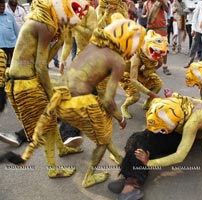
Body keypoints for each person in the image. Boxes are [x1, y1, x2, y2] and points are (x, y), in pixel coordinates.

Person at [7, 13, 146, 188]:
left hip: (59, 96)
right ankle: (88, 177)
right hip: (78, 104)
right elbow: (108, 100)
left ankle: (118, 158)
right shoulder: (117, 60)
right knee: (103, 134)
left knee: (101, 126)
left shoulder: (93, 45)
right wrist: (121, 118)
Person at [2, 0, 90, 178]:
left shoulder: (42, 22)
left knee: (52, 119)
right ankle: (53, 170)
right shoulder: (45, 26)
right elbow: (41, 67)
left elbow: (41, 61)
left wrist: (58, 43)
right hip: (25, 83)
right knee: (49, 126)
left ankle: (63, 149)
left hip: (21, 80)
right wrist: (50, 93)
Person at [119, 30, 167, 119]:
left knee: (158, 84)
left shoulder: (150, 56)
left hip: (140, 72)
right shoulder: (135, 58)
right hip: (127, 74)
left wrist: (158, 66)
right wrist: (151, 94)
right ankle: (124, 106)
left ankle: (147, 104)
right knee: (135, 96)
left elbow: (146, 72)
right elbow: (133, 80)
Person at [143, 0, 172, 75]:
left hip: (161, 28)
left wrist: (162, 2)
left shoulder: (161, 2)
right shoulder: (146, 3)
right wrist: (146, 15)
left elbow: (167, 10)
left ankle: (165, 66)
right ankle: (152, 66)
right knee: (151, 49)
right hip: (151, 30)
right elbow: (142, 14)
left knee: (163, 48)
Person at [0, 0, 19, 68]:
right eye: (0, 6)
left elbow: (16, 30)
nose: (2, 7)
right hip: (1, 47)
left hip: (12, 45)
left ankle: (12, 78)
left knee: (13, 65)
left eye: (3, 6)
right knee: (2, 66)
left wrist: (18, 43)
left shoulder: (10, 15)